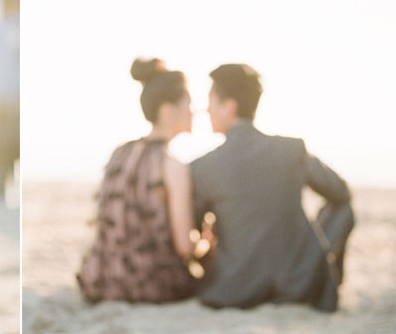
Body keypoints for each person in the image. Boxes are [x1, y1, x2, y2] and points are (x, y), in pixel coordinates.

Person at [191, 64, 354, 310]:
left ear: (230, 106)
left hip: (235, 290)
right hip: (299, 285)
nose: (207, 111)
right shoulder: (291, 149)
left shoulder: (201, 167)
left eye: (211, 102)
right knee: (345, 209)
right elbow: (341, 193)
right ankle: (328, 276)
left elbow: (193, 231)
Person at [78, 59, 198, 304]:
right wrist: (207, 243)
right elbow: (185, 247)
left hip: (105, 281)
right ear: (168, 110)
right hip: (152, 286)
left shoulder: (121, 153)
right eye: (189, 105)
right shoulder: (172, 166)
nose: (194, 112)